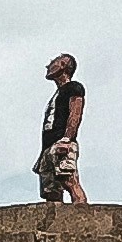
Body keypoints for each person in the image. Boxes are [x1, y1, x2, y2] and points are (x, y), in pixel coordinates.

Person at [35, 53, 89, 204]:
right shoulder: (57, 94)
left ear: (64, 64)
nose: (48, 66)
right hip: (48, 147)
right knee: (50, 190)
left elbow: (75, 112)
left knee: (69, 180)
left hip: (62, 142)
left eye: (54, 62)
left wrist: (67, 139)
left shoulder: (73, 88)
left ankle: (83, 217)